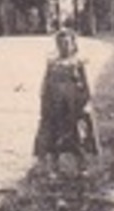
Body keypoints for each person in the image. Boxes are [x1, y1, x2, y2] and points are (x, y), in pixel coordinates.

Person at [34, 28, 97, 176]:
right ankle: (54, 166)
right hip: (55, 104)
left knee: (76, 135)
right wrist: (44, 99)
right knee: (54, 135)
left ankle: (82, 166)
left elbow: (85, 84)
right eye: (60, 43)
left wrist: (85, 101)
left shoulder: (77, 63)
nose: (64, 46)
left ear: (73, 44)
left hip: (72, 104)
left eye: (67, 43)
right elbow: (46, 82)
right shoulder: (53, 63)